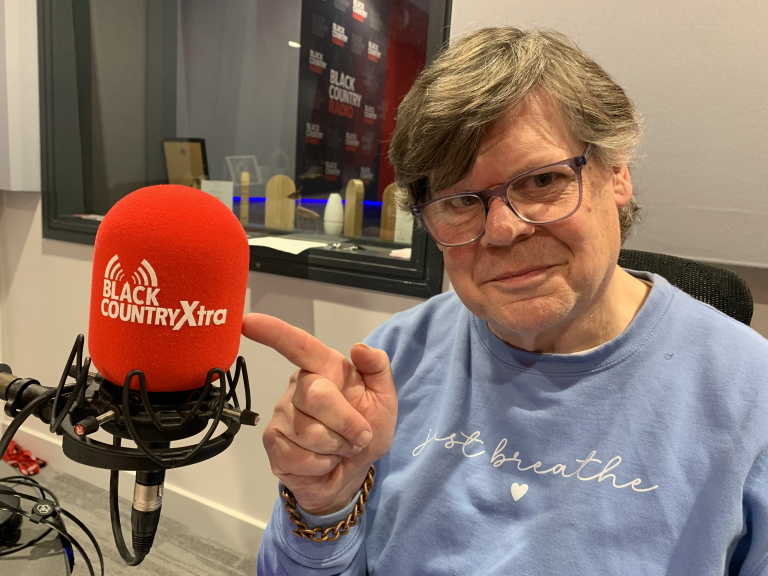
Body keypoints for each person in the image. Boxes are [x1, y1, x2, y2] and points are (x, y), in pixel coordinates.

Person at [244, 27, 768, 575]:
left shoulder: (748, 397)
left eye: (541, 181)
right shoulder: (392, 361)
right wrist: (323, 505)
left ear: (617, 172)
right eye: (459, 200)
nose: (501, 230)